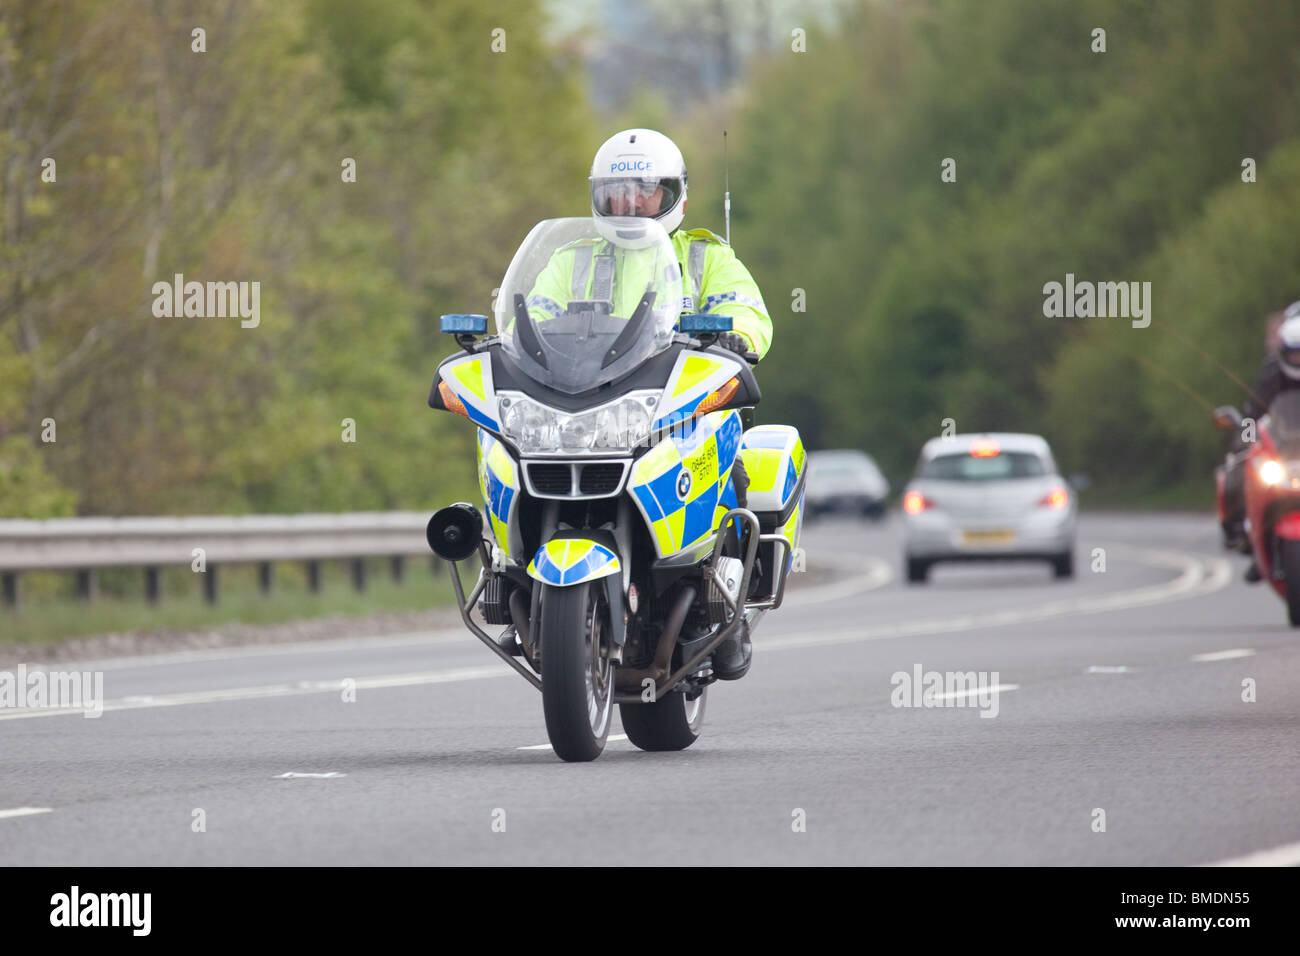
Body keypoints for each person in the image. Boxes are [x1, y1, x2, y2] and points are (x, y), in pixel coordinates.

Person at [521, 128, 771, 678]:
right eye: (618, 191)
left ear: (675, 194)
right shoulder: (573, 259)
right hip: (584, 405)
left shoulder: (704, 257)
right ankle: (512, 568)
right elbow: (532, 313)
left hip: (674, 406)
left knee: (723, 462)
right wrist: (516, 341)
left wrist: (737, 337)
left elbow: (749, 310)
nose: (630, 202)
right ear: (597, 196)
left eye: (644, 190)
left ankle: (721, 598)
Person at [1228, 301, 1300, 581]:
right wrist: (1244, 442)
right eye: (1294, 354)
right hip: (1284, 452)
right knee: (1239, 468)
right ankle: (1248, 535)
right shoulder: (1272, 374)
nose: (1298, 360)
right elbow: (1253, 413)